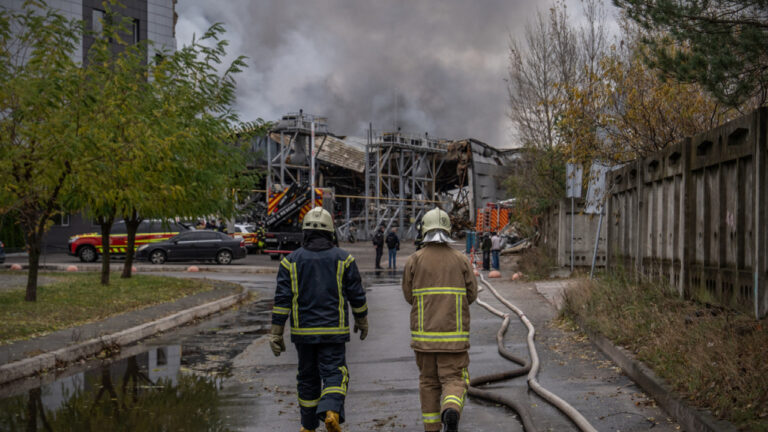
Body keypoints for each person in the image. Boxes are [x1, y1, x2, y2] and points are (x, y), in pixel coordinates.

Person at [269, 207, 369, 432]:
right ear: (331, 232)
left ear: (305, 232)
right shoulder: (344, 259)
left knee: (307, 378)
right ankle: (331, 412)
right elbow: (357, 295)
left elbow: (282, 300)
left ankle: (308, 427)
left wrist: (276, 332)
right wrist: (361, 320)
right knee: (335, 373)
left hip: (303, 334)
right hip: (333, 332)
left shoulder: (290, 262)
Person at [402, 208, 478, 432]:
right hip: (454, 341)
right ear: (448, 229)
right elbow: (471, 294)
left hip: (423, 341)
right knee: (454, 379)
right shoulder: (461, 259)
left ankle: (432, 428)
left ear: (423, 229)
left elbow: (408, 296)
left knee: (428, 383)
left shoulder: (414, 260)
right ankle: (451, 410)